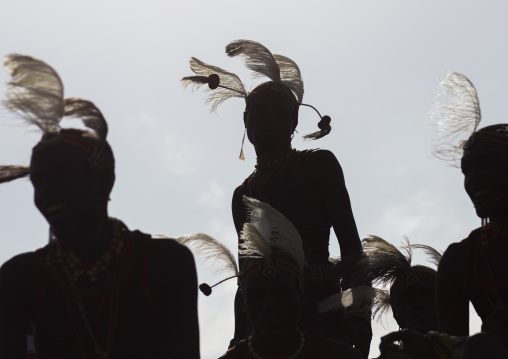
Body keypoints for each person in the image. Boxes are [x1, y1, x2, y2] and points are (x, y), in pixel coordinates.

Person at [0, 54, 200, 359]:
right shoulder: (20, 278)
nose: (47, 193)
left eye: (61, 176)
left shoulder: (167, 264)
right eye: (38, 181)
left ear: (103, 182)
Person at [182, 39, 370, 357]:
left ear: (293, 122)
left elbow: (352, 251)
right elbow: (247, 277)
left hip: (323, 307)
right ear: (246, 122)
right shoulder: (243, 195)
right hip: (264, 321)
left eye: (278, 115)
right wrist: (238, 336)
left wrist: (358, 315)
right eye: (260, 115)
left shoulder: (318, 165)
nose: (268, 122)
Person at [379, 72, 508, 358]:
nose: (473, 179)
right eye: (466, 170)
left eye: (487, 164)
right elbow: (454, 349)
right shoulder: (463, 259)